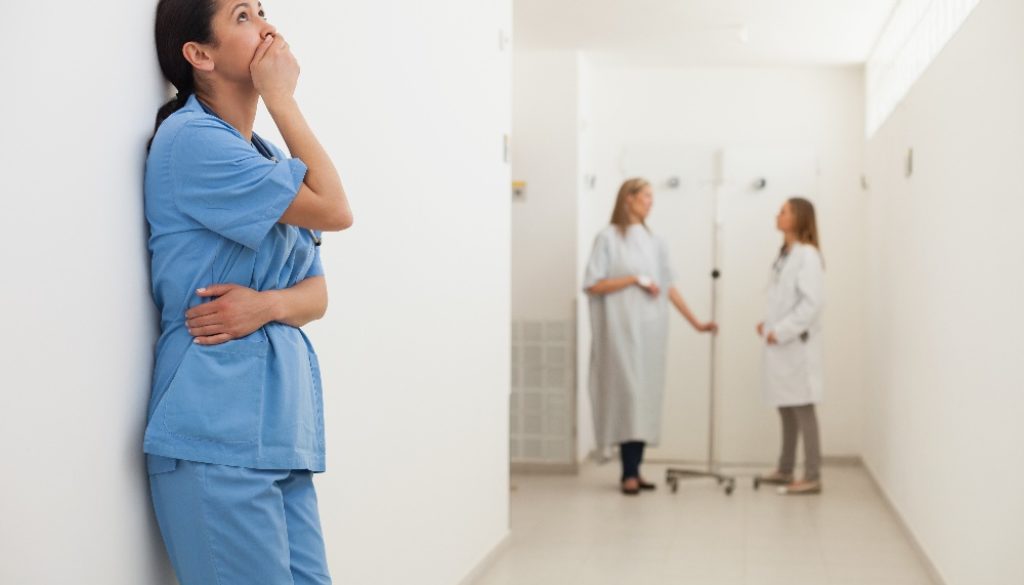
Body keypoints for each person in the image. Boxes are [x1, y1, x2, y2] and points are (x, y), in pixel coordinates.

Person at [142, 1, 352, 583]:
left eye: (262, 10)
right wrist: (283, 97)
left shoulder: (261, 157)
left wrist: (269, 305)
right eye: (242, 16)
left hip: (280, 435)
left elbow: (318, 294)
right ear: (199, 55)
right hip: (216, 432)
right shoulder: (192, 141)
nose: (267, 26)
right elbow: (337, 210)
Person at [584, 178, 717, 495]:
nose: (650, 202)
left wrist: (696, 322)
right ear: (628, 199)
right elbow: (593, 284)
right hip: (619, 331)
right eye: (646, 196)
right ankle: (627, 471)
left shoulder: (656, 242)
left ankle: (635, 469)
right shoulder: (607, 239)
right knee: (627, 396)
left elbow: (668, 286)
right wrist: (633, 279)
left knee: (644, 398)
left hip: (651, 331)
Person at [756, 198, 825, 495]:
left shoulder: (807, 255)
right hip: (781, 344)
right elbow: (784, 299)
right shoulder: (786, 254)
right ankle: (785, 469)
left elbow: (811, 304)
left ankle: (812, 475)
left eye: (783, 211)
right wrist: (768, 325)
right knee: (786, 408)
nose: (778, 215)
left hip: (796, 345)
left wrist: (780, 331)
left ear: (798, 218)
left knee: (802, 409)